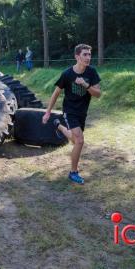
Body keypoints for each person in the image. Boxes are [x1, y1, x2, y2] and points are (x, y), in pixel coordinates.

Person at [42, 44, 101, 185]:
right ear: (77, 56)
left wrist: (86, 85)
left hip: (82, 112)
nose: (88, 57)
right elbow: (56, 93)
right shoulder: (67, 74)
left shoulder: (92, 72)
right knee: (80, 141)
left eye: (89, 54)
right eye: (85, 54)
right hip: (70, 111)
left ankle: (59, 127)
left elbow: (98, 94)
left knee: (75, 141)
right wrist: (48, 112)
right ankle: (73, 172)